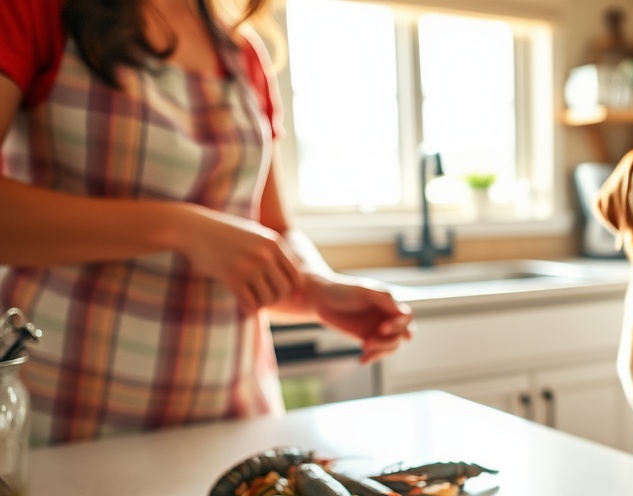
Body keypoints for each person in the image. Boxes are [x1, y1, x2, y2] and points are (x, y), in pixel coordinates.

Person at [0, 0, 414, 446]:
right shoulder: (35, 11)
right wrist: (181, 229)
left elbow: (271, 230)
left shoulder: (242, 52)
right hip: (65, 421)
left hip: (233, 419)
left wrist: (316, 288)